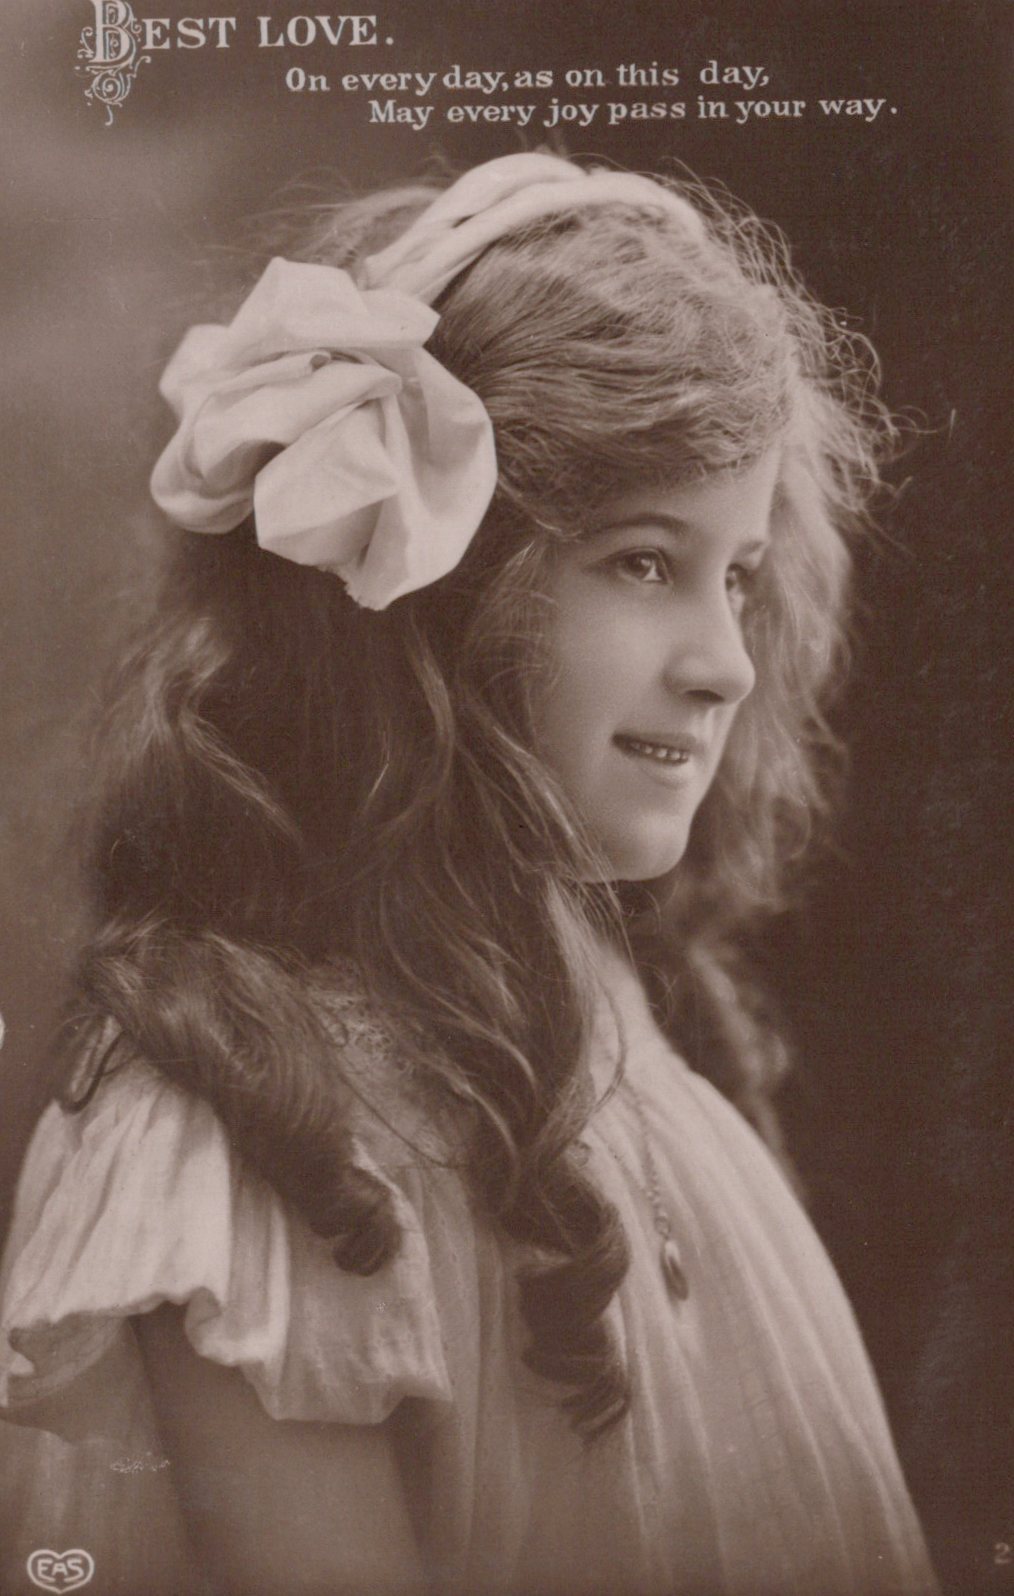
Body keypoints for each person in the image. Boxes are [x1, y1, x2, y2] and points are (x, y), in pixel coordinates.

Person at [0, 152, 937, 1596]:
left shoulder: (608, 1005)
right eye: (639, 562)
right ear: (426, 603)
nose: (724, 663)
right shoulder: (251, 1139)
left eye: (736, 573)